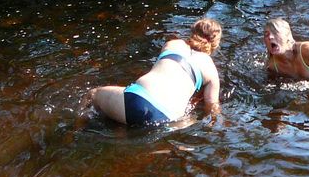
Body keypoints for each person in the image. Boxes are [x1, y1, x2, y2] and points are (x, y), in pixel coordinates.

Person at [80, 18, 222, 127]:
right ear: (215, 44)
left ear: (192, 32)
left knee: (92, 94)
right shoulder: (211, 71)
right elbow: (211, 106)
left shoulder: (173, 44)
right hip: (170, 119)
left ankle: (74, 132)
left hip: (137, 102)